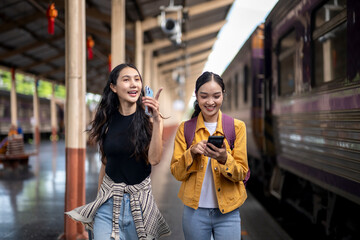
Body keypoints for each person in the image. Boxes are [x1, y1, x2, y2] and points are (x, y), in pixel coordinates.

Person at [65, 63, 171, 240]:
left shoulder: (150, 121)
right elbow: (105, 163)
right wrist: (99, 201)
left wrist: (157, 120)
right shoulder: (107, 121)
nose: (133, 84)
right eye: (126, 79)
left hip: (140, 207)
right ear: (113, 87)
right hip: (108, 204)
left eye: (137, 79)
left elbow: (154, 159)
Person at [170, 71, 249, 240]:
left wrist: (224, 158)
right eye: (204, 96)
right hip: (194, 213)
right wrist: (191, 153)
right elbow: (177, 172)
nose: (210, 102)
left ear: (223, 95)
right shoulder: (185, 129)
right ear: (196, 96)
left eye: (216, 96)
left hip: (228, 213)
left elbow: (242, 172)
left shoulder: (237, 127)